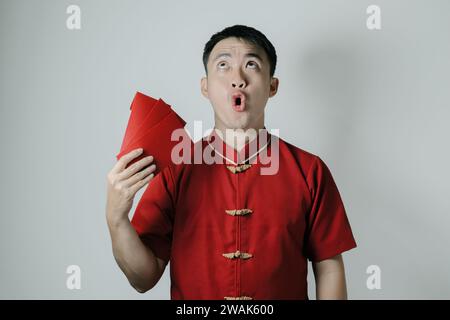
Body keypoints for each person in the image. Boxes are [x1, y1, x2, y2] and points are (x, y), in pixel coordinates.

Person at [105, 25, 357, 300]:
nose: (238, 79)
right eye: (223, 65)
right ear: (205, 87)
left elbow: (329, 268)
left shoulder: (310, 171)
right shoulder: (176, 170)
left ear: (272, 86)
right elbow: (143, 277)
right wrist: (116, 219)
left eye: (251, 64)